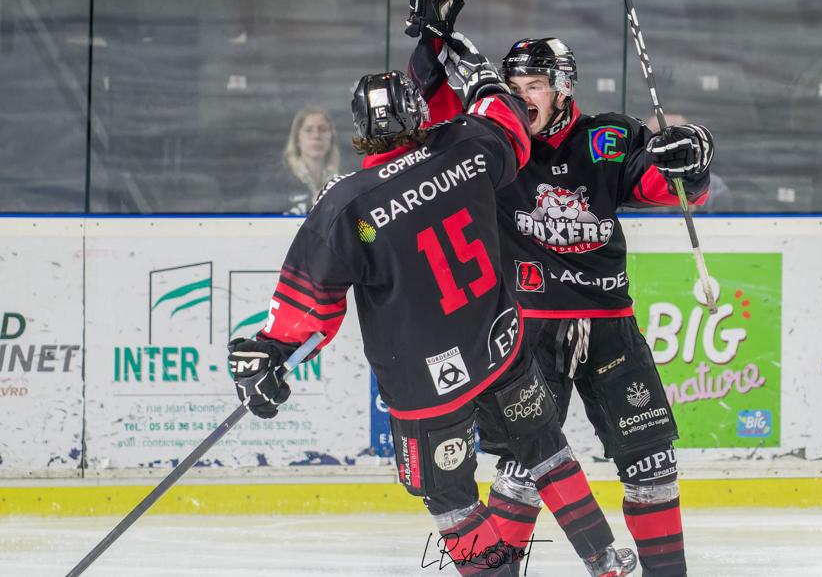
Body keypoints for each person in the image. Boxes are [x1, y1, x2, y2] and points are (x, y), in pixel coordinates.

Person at [226, 50, 637, 575]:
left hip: (425, 383)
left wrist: (271, 351)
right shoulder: (464, 147)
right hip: (498, 345)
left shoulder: (347, 206)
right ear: (419, 116)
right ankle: (604, 559)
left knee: (453, 500)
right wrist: (481, 75)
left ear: (361, 129)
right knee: (543, 444)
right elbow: (507, 122)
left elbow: (311, 301)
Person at [405, 0, 716, 577]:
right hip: (528, 334)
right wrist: (430, 38)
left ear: (563, 87)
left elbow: (668, 188)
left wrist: (693, 159)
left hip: (609, 325)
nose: (521, 96)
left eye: (535, 86)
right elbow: (433, 108)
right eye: (513, 85)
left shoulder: (608, 137)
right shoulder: (493, 145)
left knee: (653, 465)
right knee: (523, 471)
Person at [278, 107, 341, 215]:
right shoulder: (277, 180)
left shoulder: (344, 178)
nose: (316, 136)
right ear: (297, 138)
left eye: (323, 129)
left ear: (332, 137)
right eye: (308, 130)